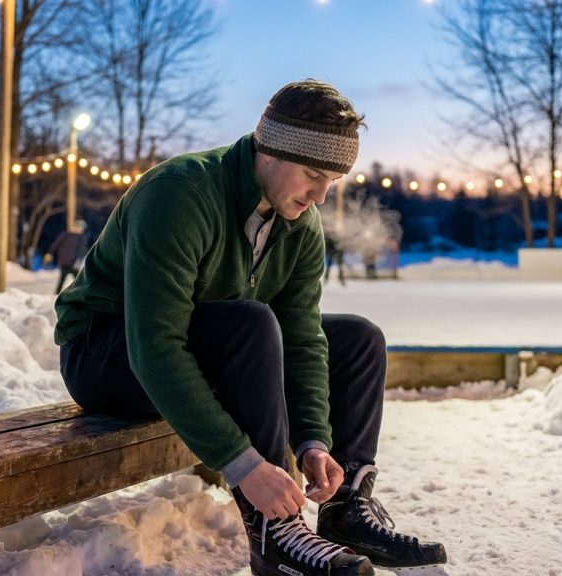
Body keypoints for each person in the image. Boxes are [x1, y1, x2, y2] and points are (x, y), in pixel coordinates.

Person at [54, 79, 445, 576]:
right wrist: (246, 466)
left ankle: (345, 509)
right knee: (253, 321)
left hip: (209, 343)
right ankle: (273, 530)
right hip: (105, 352)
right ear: (270, 151)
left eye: (333, 180)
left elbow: (302, 338)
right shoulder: (180, 194)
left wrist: (313, 443)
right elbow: (154, 347)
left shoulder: (299, 226)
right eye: (312, 174)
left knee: (358, 339)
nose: (321, 196)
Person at [46, 220, 88, 294]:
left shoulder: (66, 235)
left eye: (81, 228)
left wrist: (50, 252)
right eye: (79, 227)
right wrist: (50, 253)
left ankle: (57, 293)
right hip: (70, 262)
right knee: (78, 280)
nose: (80, 229)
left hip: (69, 261)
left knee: (65, 279)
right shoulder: (71, 236)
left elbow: (81, 250)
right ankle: (81, 294)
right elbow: (56, 244)